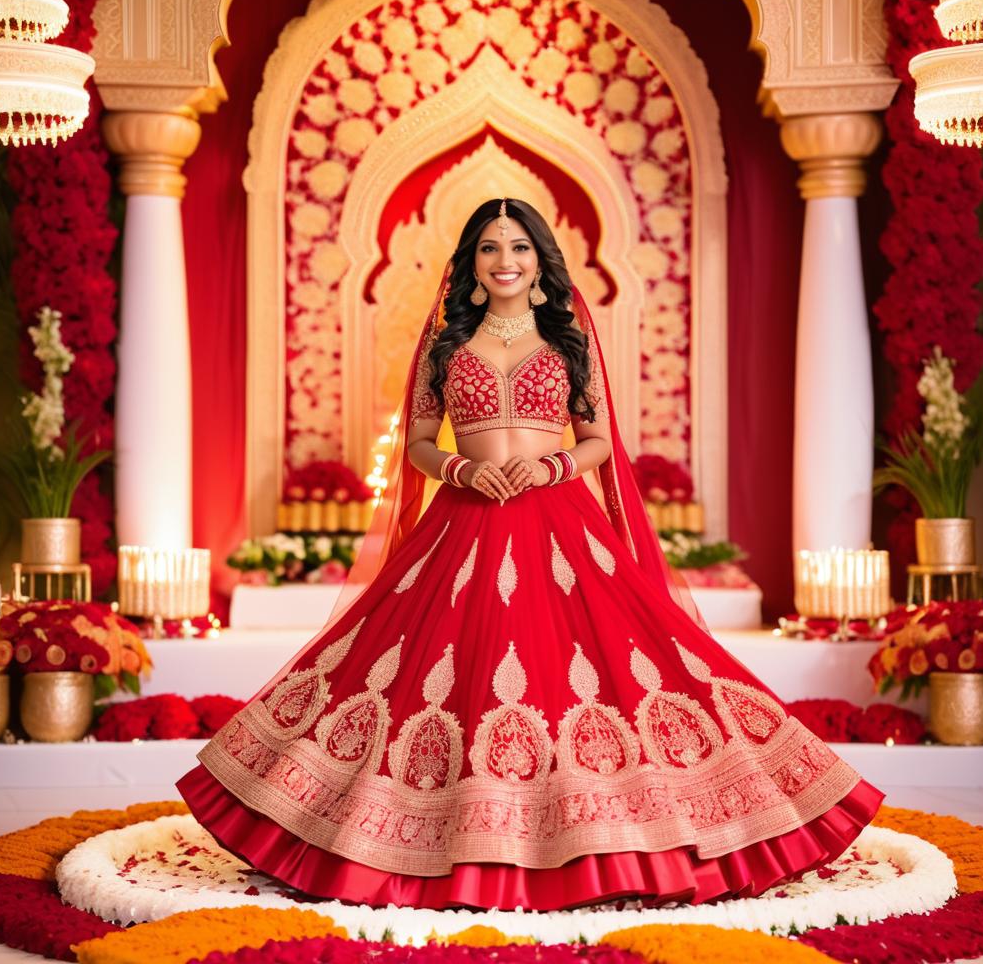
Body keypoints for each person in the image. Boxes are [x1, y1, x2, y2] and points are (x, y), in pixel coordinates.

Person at [178, 197, 882, 911]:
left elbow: (601, 440)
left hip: (560, 520)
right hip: (465, 518)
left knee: (605, 668)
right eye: (488, 247)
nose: (504, 259)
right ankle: (419, 840)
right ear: (472, 264)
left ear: (540, 260)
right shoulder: (445, 341)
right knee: (434, 670)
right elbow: (419, 440)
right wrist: (460, 469)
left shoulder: (567, 335)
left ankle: (615, 840)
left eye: (517, 246)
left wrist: (548, 469)